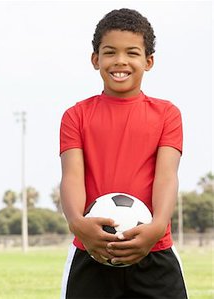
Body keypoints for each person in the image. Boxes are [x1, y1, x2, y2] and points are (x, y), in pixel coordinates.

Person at [59, 8, 187, 299]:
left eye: (131, 52)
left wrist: (156, 228)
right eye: (109, 52)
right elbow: (71, 177)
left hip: (155, 251)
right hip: (91, 250)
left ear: (148, 61)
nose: (120, 61)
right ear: (96, 60)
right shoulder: (76, 116)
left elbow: (167, 177)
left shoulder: (167, 114)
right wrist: (78, 225)